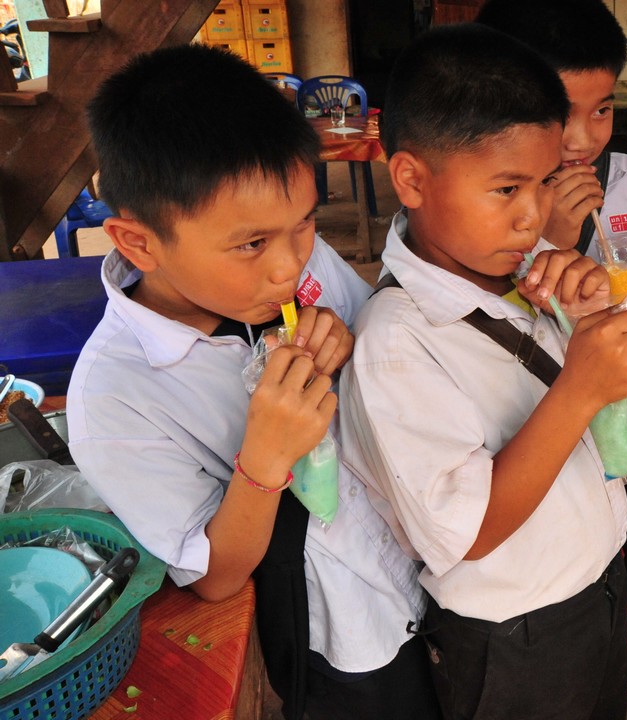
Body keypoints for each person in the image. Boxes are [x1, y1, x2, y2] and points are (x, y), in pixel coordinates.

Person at [67, 45, 439, 720]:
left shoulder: (301, 264)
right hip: (345, 635)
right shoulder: (115, 397)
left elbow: (370, 338)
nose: (287, 269)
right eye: (251, 245)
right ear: (139, 243)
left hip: (427, 566)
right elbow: (215, 577)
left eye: (303, 225)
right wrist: (266, 458)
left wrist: (351, 341)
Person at [338, 23, 627, 720]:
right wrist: (578, 387)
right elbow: (470, 530)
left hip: (595, 590)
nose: (533, 216)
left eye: (544, 184)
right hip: (517, 638)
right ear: (412, 179)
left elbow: (619, 422)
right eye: (506, 188)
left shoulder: (517, 279)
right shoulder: (396, 343)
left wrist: (588, 320)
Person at [474, 1, 627, 716]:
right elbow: (475, 314)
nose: (582, 138)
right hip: (529, 427)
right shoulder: (483, 200)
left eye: (603, 109)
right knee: (565, 558)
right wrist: (545, 233)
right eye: (560, 111)